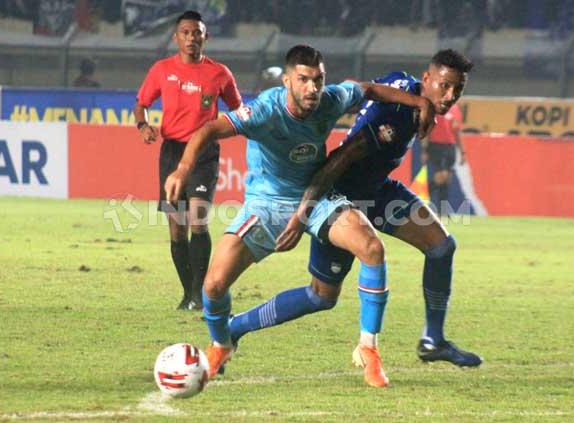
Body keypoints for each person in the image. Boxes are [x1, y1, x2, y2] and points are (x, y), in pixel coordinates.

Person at [164, 44, 435, 386]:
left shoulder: (331, 99)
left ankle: (368, 349)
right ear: (288, 80)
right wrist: (183, 169)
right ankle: (222, 343)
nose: (313, 88)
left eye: (318, 80)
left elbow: (368, 89)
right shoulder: (265, 111)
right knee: (214, 285)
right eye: (304, 80)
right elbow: (209, 130)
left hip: (316, 196)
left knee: (372, 249)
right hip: (267, 203)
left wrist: (420, 102)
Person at [229, 49, 482, 387]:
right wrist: (304, 213)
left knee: (441, 246)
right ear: (427, 79)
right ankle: (235, 327)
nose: (449, 97)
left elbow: (367, 86)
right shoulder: (391, 118)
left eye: (457, 90)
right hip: (342, 195)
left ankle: (432, 340)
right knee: (321, 296)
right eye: (444, 86)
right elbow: (338, 159)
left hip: (378, 191)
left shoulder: (402, 84)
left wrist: (422, 104)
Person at [133, 10, 242, 311]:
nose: (191, 37)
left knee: (198, 220)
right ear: (176, 37)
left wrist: (226, 129)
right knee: (176, 227)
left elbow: (238, 109)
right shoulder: (161, 70)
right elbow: (141, 104)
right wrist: (143, 127)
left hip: (204, 152)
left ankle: (199, 292)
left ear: (206, 36)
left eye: (197, 32)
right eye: (185, 32)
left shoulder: (220, 73)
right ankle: (187, 293)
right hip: (171, 152)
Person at [423, 102, 466, 216]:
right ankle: (420, 195)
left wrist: (462, 152)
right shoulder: (436, 107)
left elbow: (457, 131)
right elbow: (428, 129)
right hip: (436, 145)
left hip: (450, 147)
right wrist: (425, 149)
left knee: (447, 180)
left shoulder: (455, 109)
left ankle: (443, 211)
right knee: (441, 176)